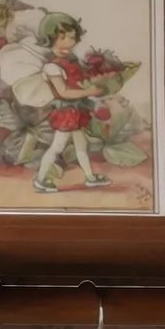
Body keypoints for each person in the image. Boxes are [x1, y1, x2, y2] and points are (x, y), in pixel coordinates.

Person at [29, 12, 109, 194]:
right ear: (50, 39)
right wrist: (88, 91)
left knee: (82, 146)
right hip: (66, 112)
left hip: (77, 111)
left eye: (71, 37)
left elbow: (80, 81)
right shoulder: (52, 66)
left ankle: (90, 177)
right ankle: (40, 180)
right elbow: (63, 92)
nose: (68, 42)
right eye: (61, 37)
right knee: (57, 147)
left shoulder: (73, 60)